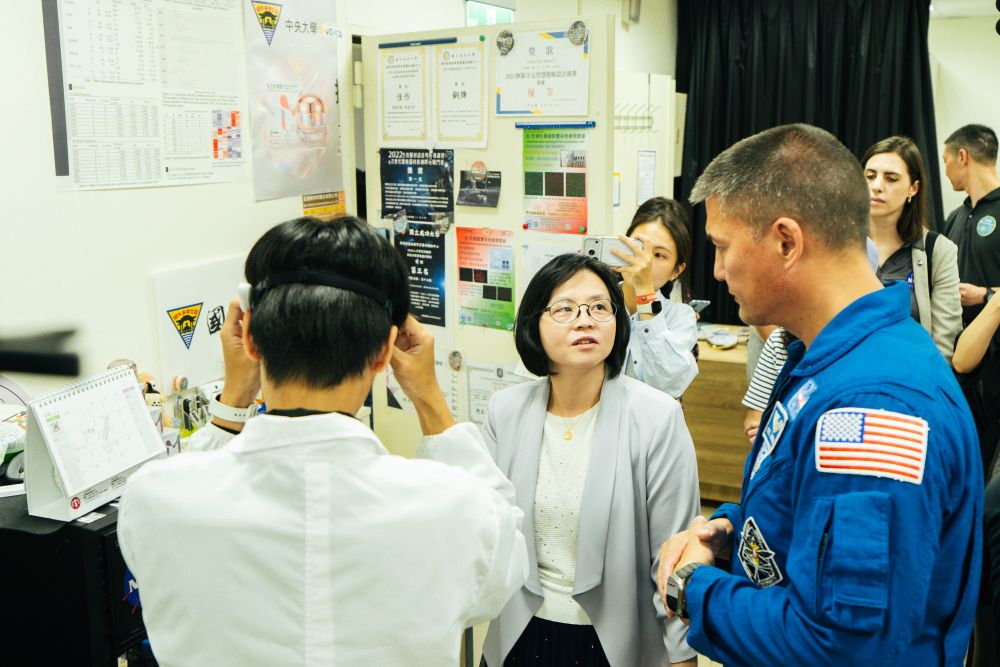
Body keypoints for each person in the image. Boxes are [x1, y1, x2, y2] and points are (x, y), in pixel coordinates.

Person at [118, 217, 529, 667]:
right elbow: (505, 564)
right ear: (384, 352)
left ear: (249, 339)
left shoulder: (154, 500)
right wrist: (429, 397)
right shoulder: (457, 509)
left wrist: (234, 398)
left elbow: (192, 480)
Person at [656, 124, 982, 666]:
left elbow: (841, 646)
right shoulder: (827, 356)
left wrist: (694, 589)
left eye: (722, 246)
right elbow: (806, 505)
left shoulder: (873, 405)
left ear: (787, 241)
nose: (717, 269)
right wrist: (730, 532)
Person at [480, 253, 700, 667]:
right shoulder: (504, 411)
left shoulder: (657, 418)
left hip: (614, 643)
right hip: (516, 634)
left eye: (599, 307)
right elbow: (486, 532)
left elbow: (674, 558)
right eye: (565, 309)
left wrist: (681, 655)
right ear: (533, 325)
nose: (585, 321)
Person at [863, 136, 962, 361]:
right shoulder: (839, 242)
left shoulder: (937, 250)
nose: (877, 186)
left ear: (913, 188)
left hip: (912, 375)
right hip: (846, 377)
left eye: (891, 178)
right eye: (870, 176)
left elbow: (943, 348)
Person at [609, 197, 699, 398]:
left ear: (676, 270)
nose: (644, 261)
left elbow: (667, 385)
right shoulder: (597, 304)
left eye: (658, 255)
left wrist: (645, 292)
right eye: (639, 247)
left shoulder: (681, 317)